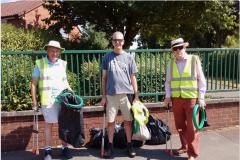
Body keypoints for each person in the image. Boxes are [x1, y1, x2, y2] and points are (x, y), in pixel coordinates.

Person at [164, 38, 206, 160]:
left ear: (185, 47)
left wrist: (201, 98)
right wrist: (167, 97)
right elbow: (168, 82)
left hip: (191, 99)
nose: (178, 50)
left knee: (192, 127)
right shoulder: (171, 63)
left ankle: (192, 153)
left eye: (180, 47)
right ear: (172, 51)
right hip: (176, 99)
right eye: (175, 49)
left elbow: (201, 80)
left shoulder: (194, 59)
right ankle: (185, 146)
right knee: (180, 125)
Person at [31, 40, 73, 160]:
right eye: (52, 50)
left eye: (56, 51)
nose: (54, 53)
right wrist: (34, 102)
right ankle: (48, 151)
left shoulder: (63, 64)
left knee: (64, 125)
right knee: (49, 125)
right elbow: (33, 84)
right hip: (47, 100)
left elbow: (65, 82)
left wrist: (71, 91)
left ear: (59, 52)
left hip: (62, 100)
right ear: (48, 51)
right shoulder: (40, 63)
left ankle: (65, 148)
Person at [100, 31, 139, 158]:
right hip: (111, 95)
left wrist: (136, 96)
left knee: (128, 121)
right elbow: (104, 78)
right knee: (110, 122)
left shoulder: (129, 57)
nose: (118, 42)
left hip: (126, 95)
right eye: (115, 40)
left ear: (123, 42)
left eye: (120, 40)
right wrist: (104, 96)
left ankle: (129, 145)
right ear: (112, 42)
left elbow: (133, 78)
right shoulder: (107, 57)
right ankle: (110, 147)